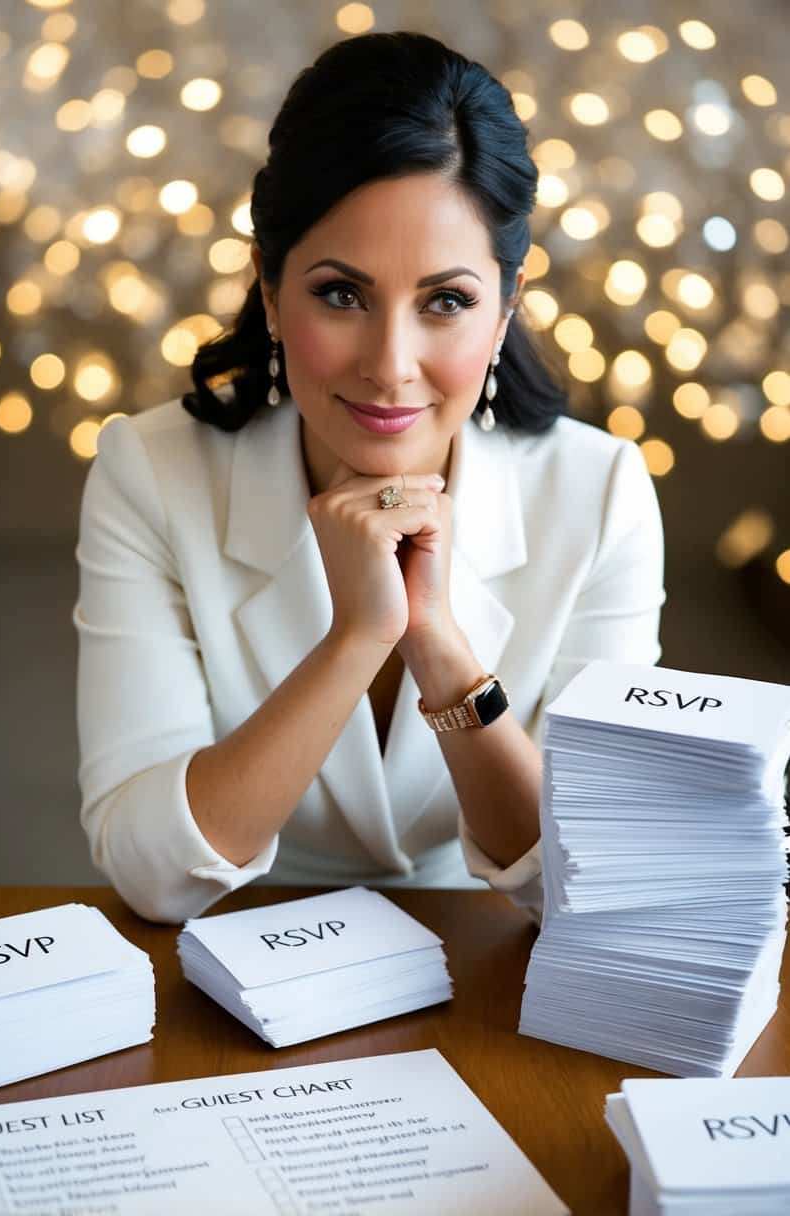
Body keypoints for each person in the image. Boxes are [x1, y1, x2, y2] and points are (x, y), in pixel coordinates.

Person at [74, 31, 665, 924]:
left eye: (447, 301)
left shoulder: (602, 493)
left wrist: (435, 644)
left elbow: (598, 886)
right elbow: (152, 874)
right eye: (341, 294)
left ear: (505, 308)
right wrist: (357, 636)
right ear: (270, 292)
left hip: (484, 957)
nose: (390, 366)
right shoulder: (150, 472)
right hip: (233, 943)